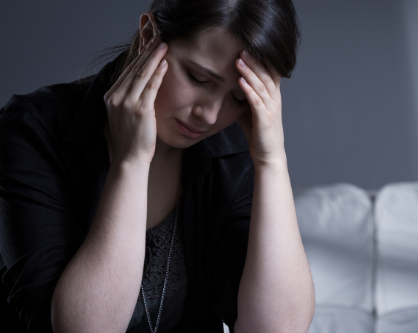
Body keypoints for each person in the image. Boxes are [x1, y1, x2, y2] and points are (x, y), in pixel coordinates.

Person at [0, 0, 315, 332]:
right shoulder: (30, 133)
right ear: (148, 35)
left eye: (238, 99)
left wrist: (271, 161)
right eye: (197, 78)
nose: (209, 115)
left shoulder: (231, 149)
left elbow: (278, 327)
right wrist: (131, 163)